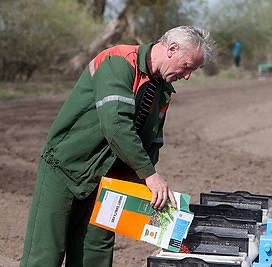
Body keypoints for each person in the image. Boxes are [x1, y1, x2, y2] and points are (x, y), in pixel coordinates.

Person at [20, 25, 216, 267]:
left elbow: (153, 140)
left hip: (108, 178)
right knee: (46, 252)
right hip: (67, 167)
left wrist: (143, 186)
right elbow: (116, 126)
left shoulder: (162, 89)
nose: (187, 75)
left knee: (96, 251)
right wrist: (150, 175)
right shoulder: (118, 62)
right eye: (187, 66)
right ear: (171, 48)